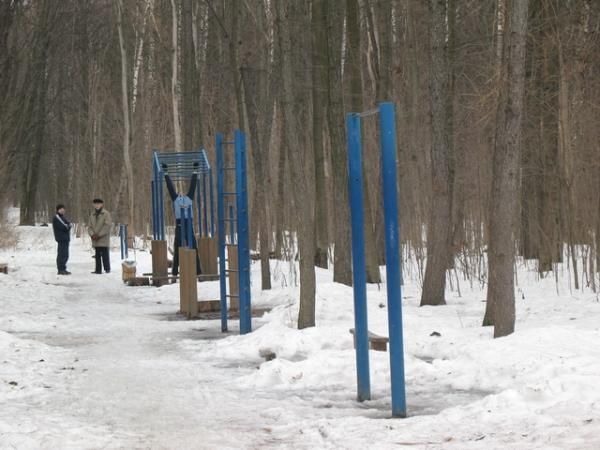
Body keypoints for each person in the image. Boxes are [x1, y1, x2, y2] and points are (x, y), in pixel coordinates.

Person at [162, 163, 201, 277]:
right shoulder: (176, 199)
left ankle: (197, 271)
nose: (182, 194)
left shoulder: (189, 198)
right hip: (180, 225)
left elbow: (193, 186)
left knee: (193, 247)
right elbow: (170, 187)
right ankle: (175, 271)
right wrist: (166, 173)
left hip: (188, 224)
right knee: (178, 247)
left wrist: (195, 171)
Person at [88, 198, 112, 274]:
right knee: (97, 254)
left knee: (105, 254)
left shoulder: (106, 214)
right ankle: (98, 270)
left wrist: (99, 234)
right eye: (95, 204)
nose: (97, 205)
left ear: (102, 204)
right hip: (95, 238)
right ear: (93, 205)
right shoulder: (92, 214)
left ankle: (107, 269)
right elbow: (89, 227)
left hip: (103, 237)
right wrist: (92, 234)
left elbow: (107, 225)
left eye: (98, 204)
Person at [52, 204, 72, 275]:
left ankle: (63, 268)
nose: (62, 210)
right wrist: (68, 226)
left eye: (63, 209)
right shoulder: (57, 217)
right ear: (58, 210)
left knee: (65, 254)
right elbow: (65, 226)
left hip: (65, 238)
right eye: (61, 209)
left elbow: (69, 224)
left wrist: (68, 226)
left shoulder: (62, 217)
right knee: (61, 254)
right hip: (61, 238)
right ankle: (60, 269)